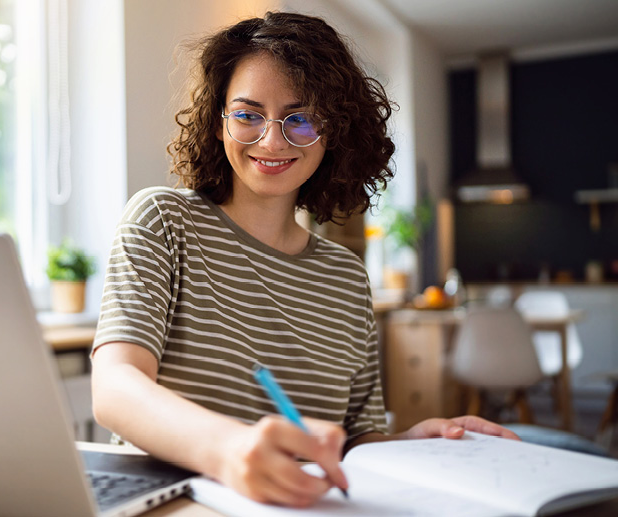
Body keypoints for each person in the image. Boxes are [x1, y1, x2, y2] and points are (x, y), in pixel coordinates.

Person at [90, 11, 518, 508]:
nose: (272, 141)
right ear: (218, 121)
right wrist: (229, 450)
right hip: (175, 498)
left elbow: (357, 440)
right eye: (248, 114)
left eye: (301, 118)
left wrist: (415, 445)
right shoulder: (163, 220)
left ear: (334, 131)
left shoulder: (345, 277)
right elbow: (116, 388)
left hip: (301, 504)